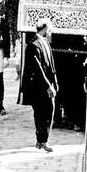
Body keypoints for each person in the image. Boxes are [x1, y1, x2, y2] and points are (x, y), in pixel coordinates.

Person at [22, 18, 58, 151]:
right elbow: (38, 69)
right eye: (49, 29)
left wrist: (55, 82)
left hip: (48, 84)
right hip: (38, 86)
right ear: (44, 29)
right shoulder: (33, 45)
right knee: (42, 112)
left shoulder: (46, 43)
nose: (50, 32)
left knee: (47, 110)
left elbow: (51, 65)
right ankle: (42, 140)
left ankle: (42, 140)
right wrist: (48, 85)